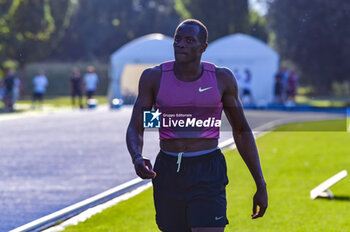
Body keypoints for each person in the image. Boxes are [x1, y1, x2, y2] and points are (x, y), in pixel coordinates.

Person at [126, 19, 267, 232]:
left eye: (189, 40)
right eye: (178, 39)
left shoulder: (221, 79)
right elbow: (139, 125)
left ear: (203, 48)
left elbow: (241, 131)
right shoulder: (154, 78)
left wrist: (260, 183)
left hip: (208, 170)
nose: (181, 44)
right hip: (168, 170)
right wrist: (137, 157)